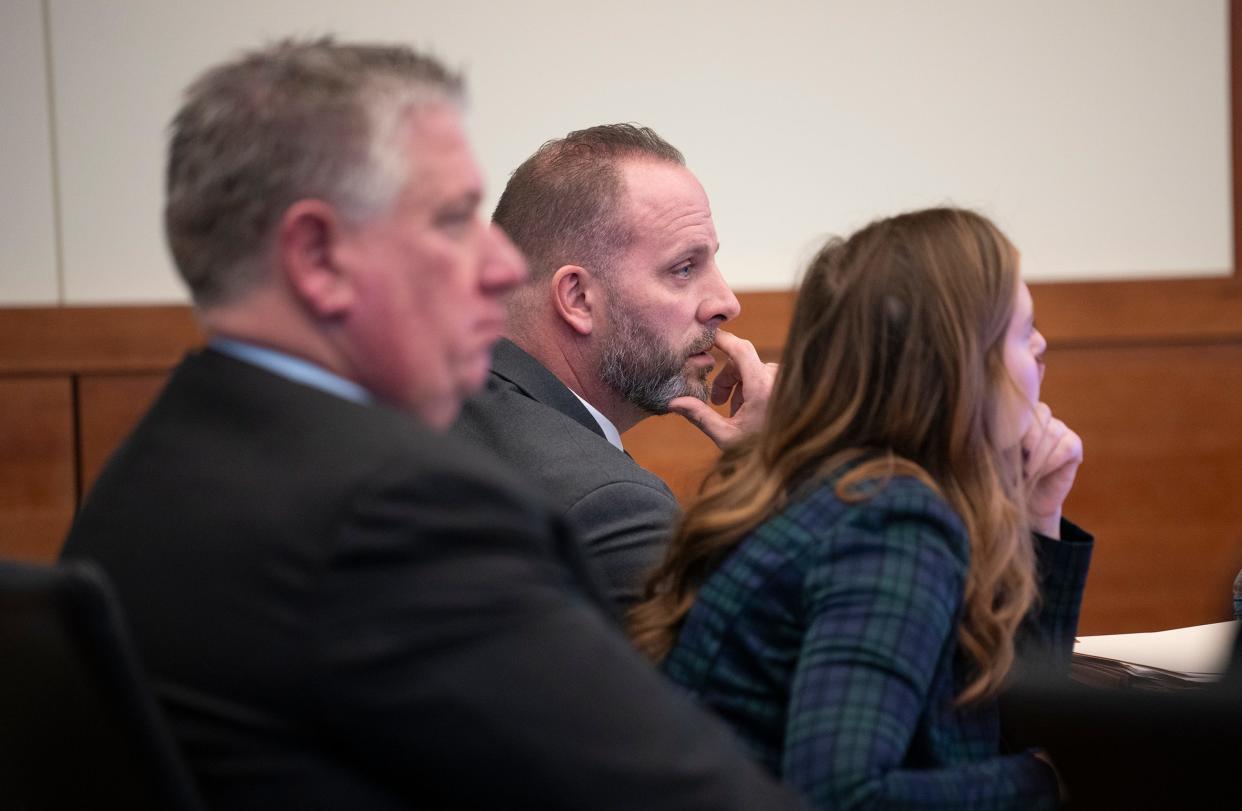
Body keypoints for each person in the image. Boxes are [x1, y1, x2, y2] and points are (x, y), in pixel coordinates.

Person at [60, 39, 805, 810]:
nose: (497, 266)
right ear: (317, 257)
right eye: (453, 221)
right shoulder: (397, 515)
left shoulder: (140, 473)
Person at [629, 207, 1094, 809]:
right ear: (956, 364)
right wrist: (1047, 782)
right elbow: (844, 798)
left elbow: (1001, 722)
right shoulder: (889, 522)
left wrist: (1037, 518)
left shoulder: (850, 489)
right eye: (1020, 330)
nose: (1042, 346)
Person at [453, 124, 774, 607]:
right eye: (684, 268)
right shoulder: (611, 506)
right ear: (579, 298)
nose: (725, 302)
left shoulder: (426, 409)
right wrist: (772, 475)